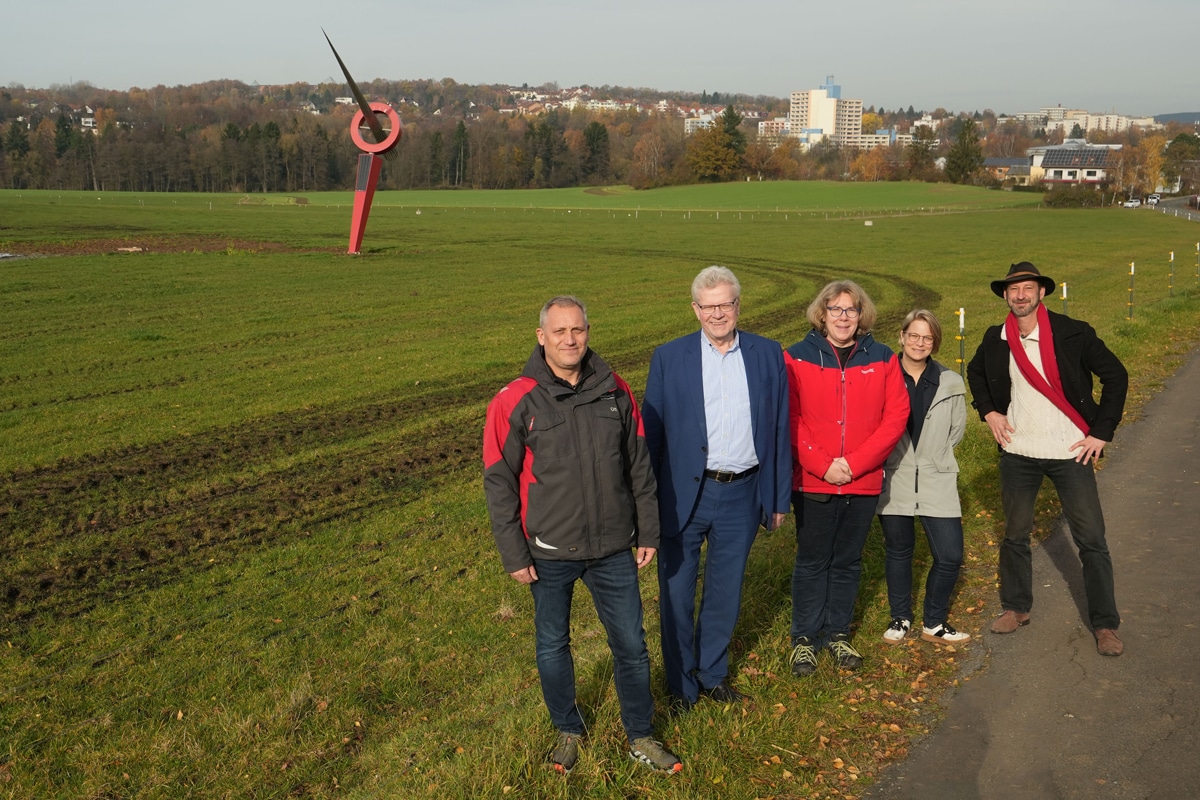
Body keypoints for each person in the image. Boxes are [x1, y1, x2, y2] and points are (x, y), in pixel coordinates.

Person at [482, 296, 683, 774]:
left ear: (588, 332)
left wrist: (648, 529)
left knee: (631, 645)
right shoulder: (515, 399)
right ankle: (568, 731)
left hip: (613, 547)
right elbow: (498, 480)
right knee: (553, 645)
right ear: (541, 337)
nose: (570, 340)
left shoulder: (615, 388)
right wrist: (514, 553)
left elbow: (639, 464)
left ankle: (641, 735)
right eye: (559, 331)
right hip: (548, 551)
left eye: (578, 330)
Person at [642, 266, 791, 709]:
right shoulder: (669, 357)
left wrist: (777, 496)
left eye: (725, 304)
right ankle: (680, 685)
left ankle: (712, 674)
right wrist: (646, 506)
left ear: (738, 306)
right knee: (676, 595)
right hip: (682, 495)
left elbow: (779, 427)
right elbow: (652, 436)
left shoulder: (767, 354)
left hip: (742, 492)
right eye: (708, 306)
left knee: (725, 591)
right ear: (695, 310)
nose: (717, 313)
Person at [967, 263, 1128, 657]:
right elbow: (974, 371)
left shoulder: (1074, 333)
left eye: (1028, 288)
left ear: (1041, 293)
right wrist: (989, 412)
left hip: (1071, 452)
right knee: (1015, 535)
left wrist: (1101, 432)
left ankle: (1105, 624)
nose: (1020, 295)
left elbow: (1116, 376)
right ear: (1005, 296)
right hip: (1018, 453)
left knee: (1091, 540)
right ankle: (1016, 608)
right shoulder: (996, 338)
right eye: (1013, 289)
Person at [784, 280, 909, 676]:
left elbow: (896, 416)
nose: (843, 317)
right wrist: (822, 465)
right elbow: (790, 417)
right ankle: (805, 640)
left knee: (847, 561)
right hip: (814, 480)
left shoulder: (883, 357)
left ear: (860, 315)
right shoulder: (795, 357)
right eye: (835, 309)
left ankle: (837, 633)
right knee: (812, 560)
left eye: (850, 310)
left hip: (862, 480)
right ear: (822, 314)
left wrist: (856, 463)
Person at [876, 310, 971, 645]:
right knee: (899, 550)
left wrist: (932, 457)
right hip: (895, 477)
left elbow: (956, 432)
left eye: (927, 337)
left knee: (950, 556)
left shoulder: (951, 381)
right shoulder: (882, 376)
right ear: (902, 337)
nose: (919, 343)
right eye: (914, 335)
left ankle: (934, 621)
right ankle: (900, 617)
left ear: (935, 342)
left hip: (937, 477)